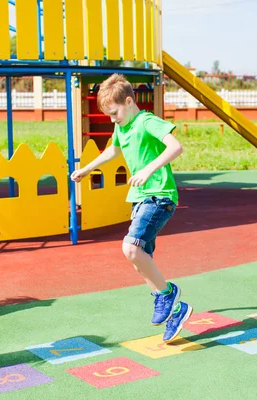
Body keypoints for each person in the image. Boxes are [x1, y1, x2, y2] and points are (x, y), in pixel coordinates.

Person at [70, 74, 192, 341]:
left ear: (128, 101)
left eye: (114, 113)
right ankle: (176, 310)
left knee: (131, 248)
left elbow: (176, 147)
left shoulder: (146, 121)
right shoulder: (122, 127)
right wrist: (86, 168)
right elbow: (112, 151)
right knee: (140, 261)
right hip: (139, 198)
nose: (113, 119)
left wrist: (148, 169)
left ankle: (168, 294)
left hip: (159, 195)